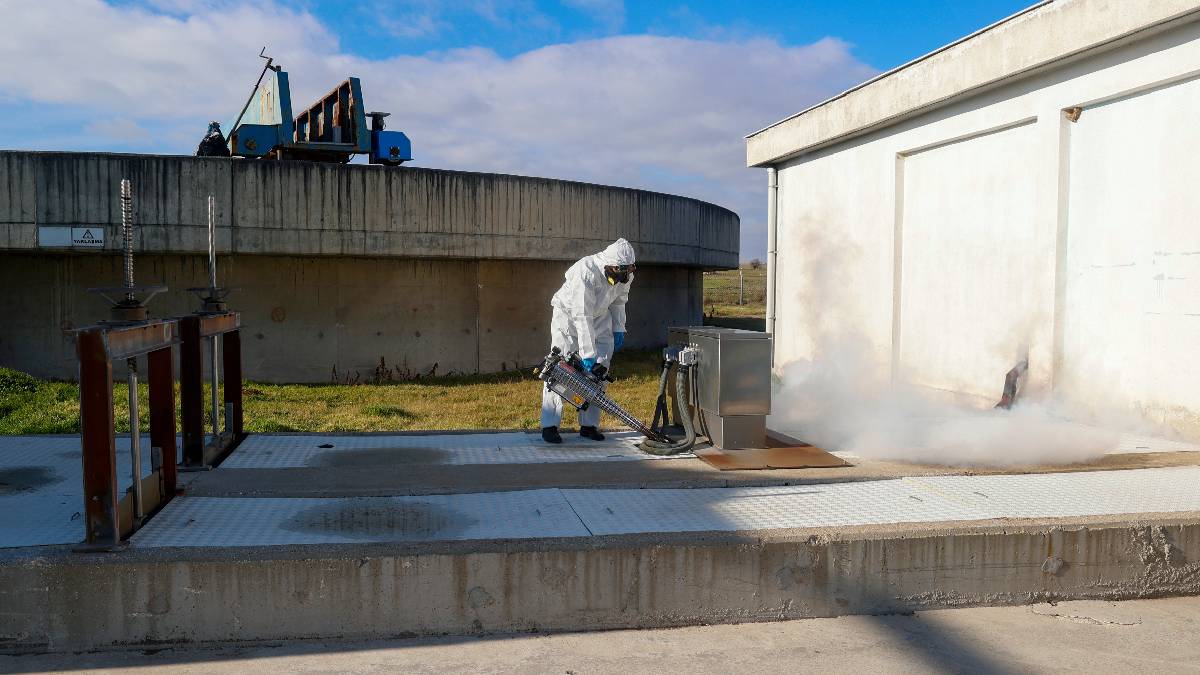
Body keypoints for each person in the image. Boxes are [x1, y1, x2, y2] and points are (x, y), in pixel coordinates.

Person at [541, 238, 636, 443]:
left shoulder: (625, 275)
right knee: (558, 369)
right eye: (619, 272)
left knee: (599, 372)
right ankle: (549, 425)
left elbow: (620, 301)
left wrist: (619, 328)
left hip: (600, 316)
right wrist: (587, 353)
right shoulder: (584, 272)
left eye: (626, 272)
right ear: (609, 265)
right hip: (569, 319)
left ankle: (589, 425)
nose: (623, 277)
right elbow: (581, 316)